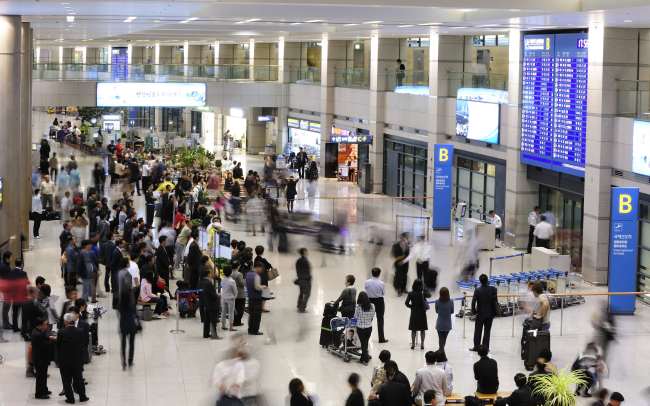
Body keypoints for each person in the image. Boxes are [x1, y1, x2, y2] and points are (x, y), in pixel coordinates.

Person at [57, 312, 89, 403]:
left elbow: (58, 346)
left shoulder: (61, 332)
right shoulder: (80, 331)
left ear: (66, 321)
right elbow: (83, 345)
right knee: (79, 379)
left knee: (66, 380)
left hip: (65, 361)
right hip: (77, 360)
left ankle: (70, 398)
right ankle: (83, 396)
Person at [117, 256, 137, 370]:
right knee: (132, 342)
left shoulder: (119, 273)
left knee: (123, 341)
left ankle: (123, 361)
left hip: (123, 322)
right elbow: (129, 287)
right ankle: (130, 360)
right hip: (131, 323)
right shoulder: (127, 274)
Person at [470, 274, 498, 352]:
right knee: (487, 331)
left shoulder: (477, 290)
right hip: (490, 314)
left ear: (480, 281)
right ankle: (485, 347)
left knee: (478, 330)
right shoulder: (493, 289)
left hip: (480, 313)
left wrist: (474, 312)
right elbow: (495, 302)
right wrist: (495, 312)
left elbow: (473, 302)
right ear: (487, 280)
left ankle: (476, 347)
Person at [32, 318, 55, 399]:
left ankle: (44, 389)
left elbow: (45, 337)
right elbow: (45, 345)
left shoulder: (39, 331)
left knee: (44, 375)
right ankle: (39, 393)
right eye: (45, 324)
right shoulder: (37, 334)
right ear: (40, 325)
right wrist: (51, 340)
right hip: (40, 359)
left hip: (42, 358)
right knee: (40, 377)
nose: (46, 326)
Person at [365, 267, 388, 343]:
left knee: (368, 319)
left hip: (369, 301)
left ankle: (366, 337)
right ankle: (381, 338)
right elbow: (383, 293)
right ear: (379, 274)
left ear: (372, 273)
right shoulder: (381, 283)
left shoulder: (367, 282)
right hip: (379, 301)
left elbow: (366, 290)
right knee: (380, 319)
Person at [405, 279, 428, 350]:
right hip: (422, 313)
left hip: (414, 313)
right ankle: (422, 344)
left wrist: (411, 307)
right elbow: (429, 295)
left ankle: (413, 344)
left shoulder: (411, 293)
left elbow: (406, 303)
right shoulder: (423, 293)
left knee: (413, 329)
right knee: (422, 329)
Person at [198, 270, 221, 340]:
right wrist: (218, 296)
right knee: (213, 320)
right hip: (212, 304)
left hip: (205, 303)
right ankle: (214, 335)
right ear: (208, 274)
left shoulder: (200, 282)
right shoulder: (208, 283)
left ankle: (206, 334)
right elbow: (213, 295)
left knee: (207, 320)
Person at [354, 291, 375, 365]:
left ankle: (365, 360)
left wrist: (352, 324)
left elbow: (355, 318)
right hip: (369, 328)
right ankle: (364, 357)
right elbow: (372, 316)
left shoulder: (358, 307)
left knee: (363, 344)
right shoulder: (372, 306)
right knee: (365, 343)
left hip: (360, 328)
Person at [246, 262, 265, 335]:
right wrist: (263, 287)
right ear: (258, 267)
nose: (261, 270)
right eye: (261, 268)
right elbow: (257, 287)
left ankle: (250, 329)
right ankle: (255, 330)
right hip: (257, 298)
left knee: (251, 315)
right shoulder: (256, 276)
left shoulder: (248, 274)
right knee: (257, 316)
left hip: (250, 298)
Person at [434, 287, 453, 352]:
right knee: (444, 338)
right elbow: (452, 311)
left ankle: (441, 350)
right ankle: (441, 350)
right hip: (448, 324)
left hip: (440, 323)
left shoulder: (437, 302)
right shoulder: (451, 301)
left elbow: (436, 311)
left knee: (440, 338)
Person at [220, 266, 237, 331]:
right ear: (231, 272)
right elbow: (235, 291)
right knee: (231, 313)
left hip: (223, 297)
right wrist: (235, 296)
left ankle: (223, 325)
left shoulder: (222, 279)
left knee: (223, 312)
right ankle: (231, 327)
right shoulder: (232, 281)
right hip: (231, 298)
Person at [295, 247, 312, 313]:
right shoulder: (304, 260)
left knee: (301, 293)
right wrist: (308, 278)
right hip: (305, 279)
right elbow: (307, 270)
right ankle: (302, 307)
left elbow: (298, 270)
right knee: (307, 294)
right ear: (304, 252)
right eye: (306, 251)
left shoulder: (298, 260)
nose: (307, 252)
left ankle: (299, 305)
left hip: (300, 279)